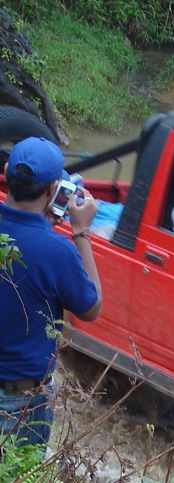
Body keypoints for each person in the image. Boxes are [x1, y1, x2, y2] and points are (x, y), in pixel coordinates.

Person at [0, 136, 102, 450]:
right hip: (22, 404)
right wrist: (80, 231)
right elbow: (91, 307)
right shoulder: (57, 252)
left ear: (6, 172)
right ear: (53, 190)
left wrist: (41, 222)